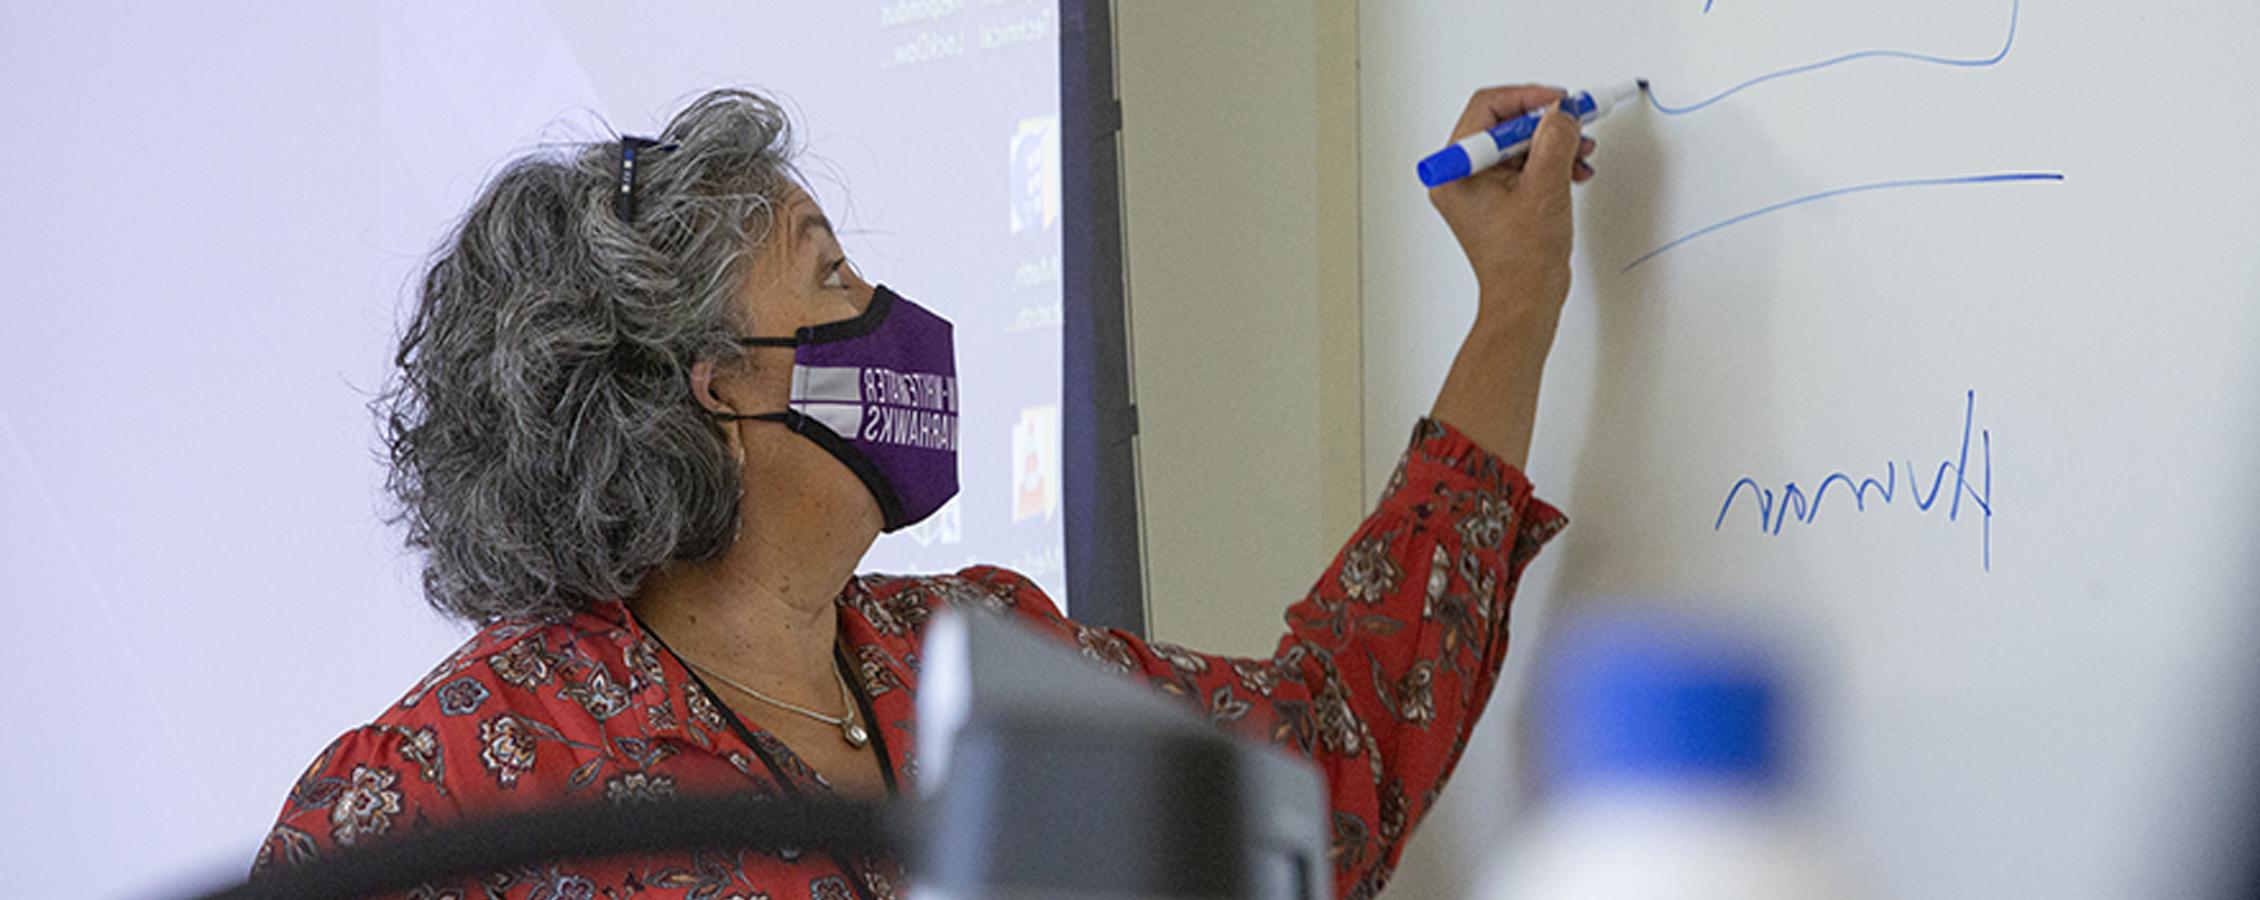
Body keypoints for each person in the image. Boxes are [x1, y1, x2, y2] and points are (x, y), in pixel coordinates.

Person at [255, 85, 1597, 900]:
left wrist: (1519, 297)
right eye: (830, 275)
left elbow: (1327, 769)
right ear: (718, 382)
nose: (892, 316)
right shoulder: (448, 783)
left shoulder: (972, 656)